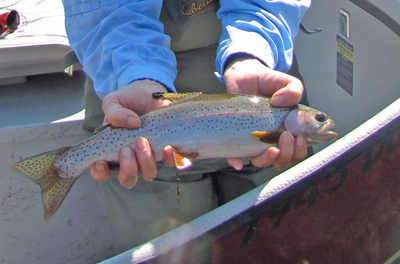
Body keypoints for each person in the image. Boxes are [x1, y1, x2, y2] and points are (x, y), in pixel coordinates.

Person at [62, 0, 310, 260]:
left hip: (263, 79)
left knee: (274, 252)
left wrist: (251, 54)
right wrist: (138, 75)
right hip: (134, 89)